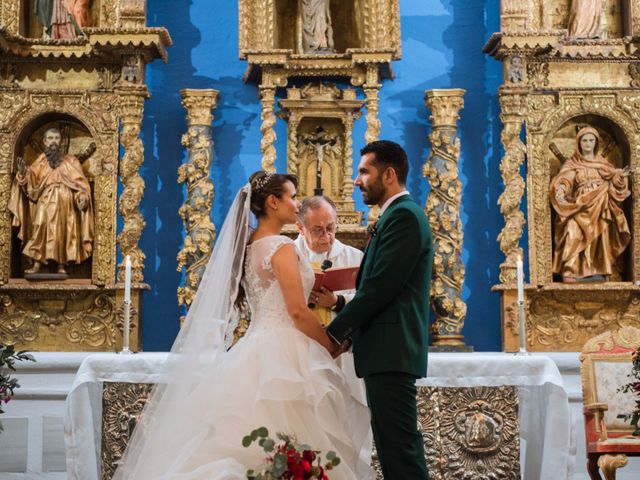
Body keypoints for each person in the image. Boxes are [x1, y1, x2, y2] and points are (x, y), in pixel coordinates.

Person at [113, 172, 374, 479]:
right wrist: (330, 345)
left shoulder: (250, 246)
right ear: (273, 202)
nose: (297, 202)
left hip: (255, 347)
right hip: (288, 352)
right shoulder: (282, 247)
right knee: (300, 434)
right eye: (291, 196)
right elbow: (298, 313)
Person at [328, 140, 433, 479]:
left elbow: (379, 288)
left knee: (400, 450)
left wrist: (334, 331)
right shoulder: (394, 216)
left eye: (364, 171)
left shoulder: (403, 216)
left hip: (392, 349)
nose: (357, 181)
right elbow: (376, 288)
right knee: (392, 448)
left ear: (388, 174)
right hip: (385, 349)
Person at [294, 195, 372, 465]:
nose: (327, 236)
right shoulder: (288, 257)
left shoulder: (355, 258)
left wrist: (336, 301)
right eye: (318, 230)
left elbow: (369, 303)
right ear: (300, 228)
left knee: (344, 426)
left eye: (331, 228)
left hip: (342, 354)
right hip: (301, 354)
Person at [550, 126, 630, 282]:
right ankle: (571, 270)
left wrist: (620, 177)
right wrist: (560, 190)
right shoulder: (572, 163)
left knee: (600, 234)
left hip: (600, 204)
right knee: (572, 229)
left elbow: (615, 180)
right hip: (579, 205)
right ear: (579, 143)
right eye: (584, 140)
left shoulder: (603, 163)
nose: (588, 144)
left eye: (591, 140)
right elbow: (565, 179)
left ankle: (599, 269)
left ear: (596, 143)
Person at [9, 127, 94, 275]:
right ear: (45, 141)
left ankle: (62, 265)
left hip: (67, 204)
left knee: (64, 231)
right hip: (45, 201)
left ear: (60, 141)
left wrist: (82, 198)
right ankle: (36, 264)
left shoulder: (71, 161)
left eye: (56, 138)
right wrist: (23, 173)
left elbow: (82, 185)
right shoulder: (40, 162)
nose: (53, 141)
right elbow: (31, 184)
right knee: (40, 226)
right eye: (50, 138)